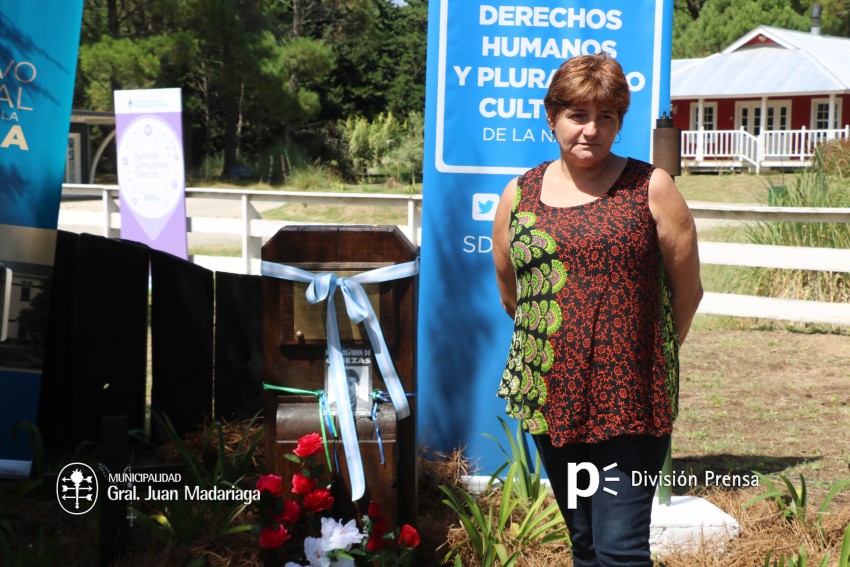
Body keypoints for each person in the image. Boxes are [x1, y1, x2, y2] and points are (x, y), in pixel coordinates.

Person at [491, 53, 703, 567]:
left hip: (631, 399)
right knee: (584, 543)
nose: (591, 130)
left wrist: (641, 355)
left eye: (605, 117)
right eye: (578, 116)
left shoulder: (651, 187)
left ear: (619, 123)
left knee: (620, 549)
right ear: (552, 118)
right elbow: (511, 291)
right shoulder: (520, 193)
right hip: (550, 394)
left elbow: (688, 292)